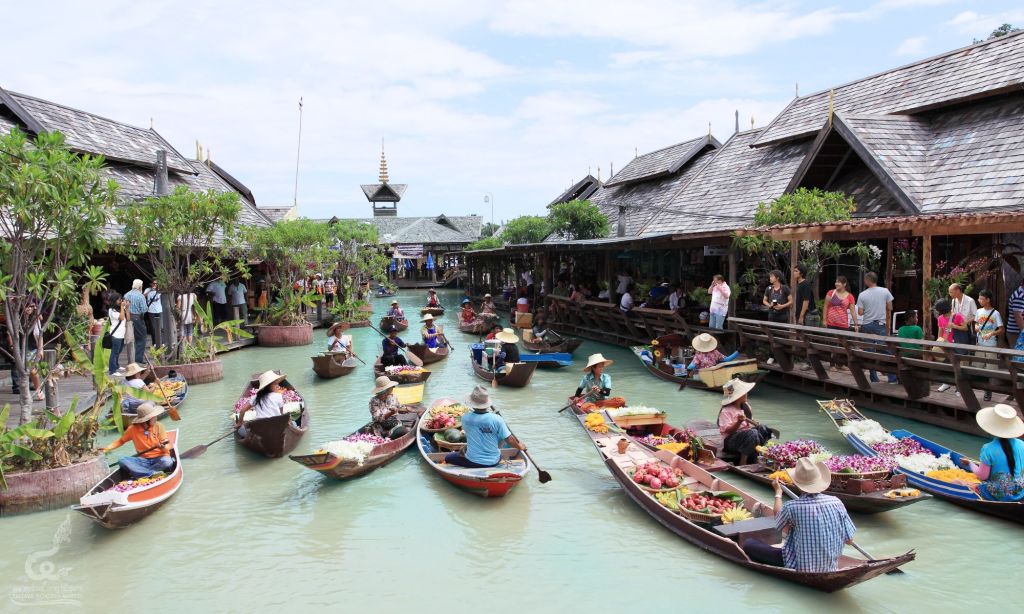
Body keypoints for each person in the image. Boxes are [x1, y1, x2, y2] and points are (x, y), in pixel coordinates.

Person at [743, 458, 856, 572]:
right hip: (830, 566)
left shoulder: (792, 506)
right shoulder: (837, 502)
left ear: (796, 483)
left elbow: (778, 523)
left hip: (798, 565)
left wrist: (778, 493)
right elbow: (849, 540)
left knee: (748, 544)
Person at [443, 386, 526, 468]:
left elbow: (470, 434)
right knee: (502, 435)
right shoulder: (497, 419)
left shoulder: (465, 418)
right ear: (486, 404)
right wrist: (520, 447)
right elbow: (510, 439)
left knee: (448, 457)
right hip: (494, 461)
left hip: (472, 462)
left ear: (472, 403)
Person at [959, 404, 1024, 501]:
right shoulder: (1022, 444)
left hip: (997, 495)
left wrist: (970, 464)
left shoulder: (988, 448)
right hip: (1020, 493)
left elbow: (982, 476)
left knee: (957, 482)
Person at [100, 402, 174, 478]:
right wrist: (106, 448)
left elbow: (167, 447)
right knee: (122, 460)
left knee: (167, 462)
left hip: (160, 458)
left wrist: (162, 447)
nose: (156, 418)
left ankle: (141, 472)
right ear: (146, 420)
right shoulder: (132, 429)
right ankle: (151, 473)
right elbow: (120, 441)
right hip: (143, 460)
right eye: (153, 417)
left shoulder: (159, 426)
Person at [717, 378, 778, 464]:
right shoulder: (726, 411)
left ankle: (758, 453)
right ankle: (743, 461)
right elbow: (728, 431)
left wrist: (755, 424)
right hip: (730, 441)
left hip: (747, 438)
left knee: (763, 429)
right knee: (752, 433)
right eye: (744, 392)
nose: (746, 394)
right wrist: (738, 422)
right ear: (738, 396)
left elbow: (750, 425)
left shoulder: (746, 407)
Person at [856, 272, 897, 384]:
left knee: (869, 351)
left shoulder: (862, 294)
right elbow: (890, 307)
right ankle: (892, 378)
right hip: (880, 324)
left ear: (867, 280)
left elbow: (860, 313)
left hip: (867, 325)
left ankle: (874, 378)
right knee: (886, 350)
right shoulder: (885, 291)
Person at [975, 289, 1004, 401]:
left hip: (991, 345)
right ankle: (984, 388)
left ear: (988, 300)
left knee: (990, 369)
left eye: (981, 299)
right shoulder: (978, 311)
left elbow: (1001, 329)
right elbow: (976, 323)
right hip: (980, 343)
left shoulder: (996, 313)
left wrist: (992, 333)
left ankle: (988, 391)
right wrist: (976, 327)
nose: (979, 300)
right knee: (978, 367)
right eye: (979, 298)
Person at [934, 299, 963, 392]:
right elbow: (940, 332)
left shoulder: (957, 316)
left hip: (956, 344)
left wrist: (954, 326)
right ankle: (946, 383)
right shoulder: (940, 318)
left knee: (957, 365)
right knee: (946, 364)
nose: (937, 311)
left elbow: (965, 328)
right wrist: (939, 342)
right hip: (945, 345)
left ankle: (959, 387)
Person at [124, 279, 148, 363]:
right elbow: (144, 309)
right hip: (138, 318)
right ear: (140, 287)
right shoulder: (140, 296)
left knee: (129, 337)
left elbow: (124, 307)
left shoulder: (126, 295)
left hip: (128, 318)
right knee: (141, 338)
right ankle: (138, 359)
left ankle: (131, 359)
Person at [107, 293, 127, 375]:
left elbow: (128, 317)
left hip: (121, 334)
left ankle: (117, 365)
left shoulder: (119, 309)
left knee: (118, 351)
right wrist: (122, 307)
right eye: (119, 300)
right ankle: (112, 370)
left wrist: (126, 308)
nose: (120, 301)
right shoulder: (112, 310)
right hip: (116, 334)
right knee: (114, 352)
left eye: (121, 299)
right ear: (114, 301)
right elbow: (121, 318)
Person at [143, 280, 162, 348]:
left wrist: (158, 290)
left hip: (159, 310)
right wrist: (150, 290)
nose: (155, 285)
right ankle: (154, 342)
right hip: (151, 311)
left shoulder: (159, 290)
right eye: (153, 283)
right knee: (153, 327)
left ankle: (160, 342)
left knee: (160, 327)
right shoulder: (147, 289)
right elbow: (143, 296)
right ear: (151, 284)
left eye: (156, 283)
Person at [1006, 278, 1024, 349]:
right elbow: (1018, 317)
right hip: (1016, 332)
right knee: (1017, 354)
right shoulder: (1019, 296)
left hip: (1018, 332)